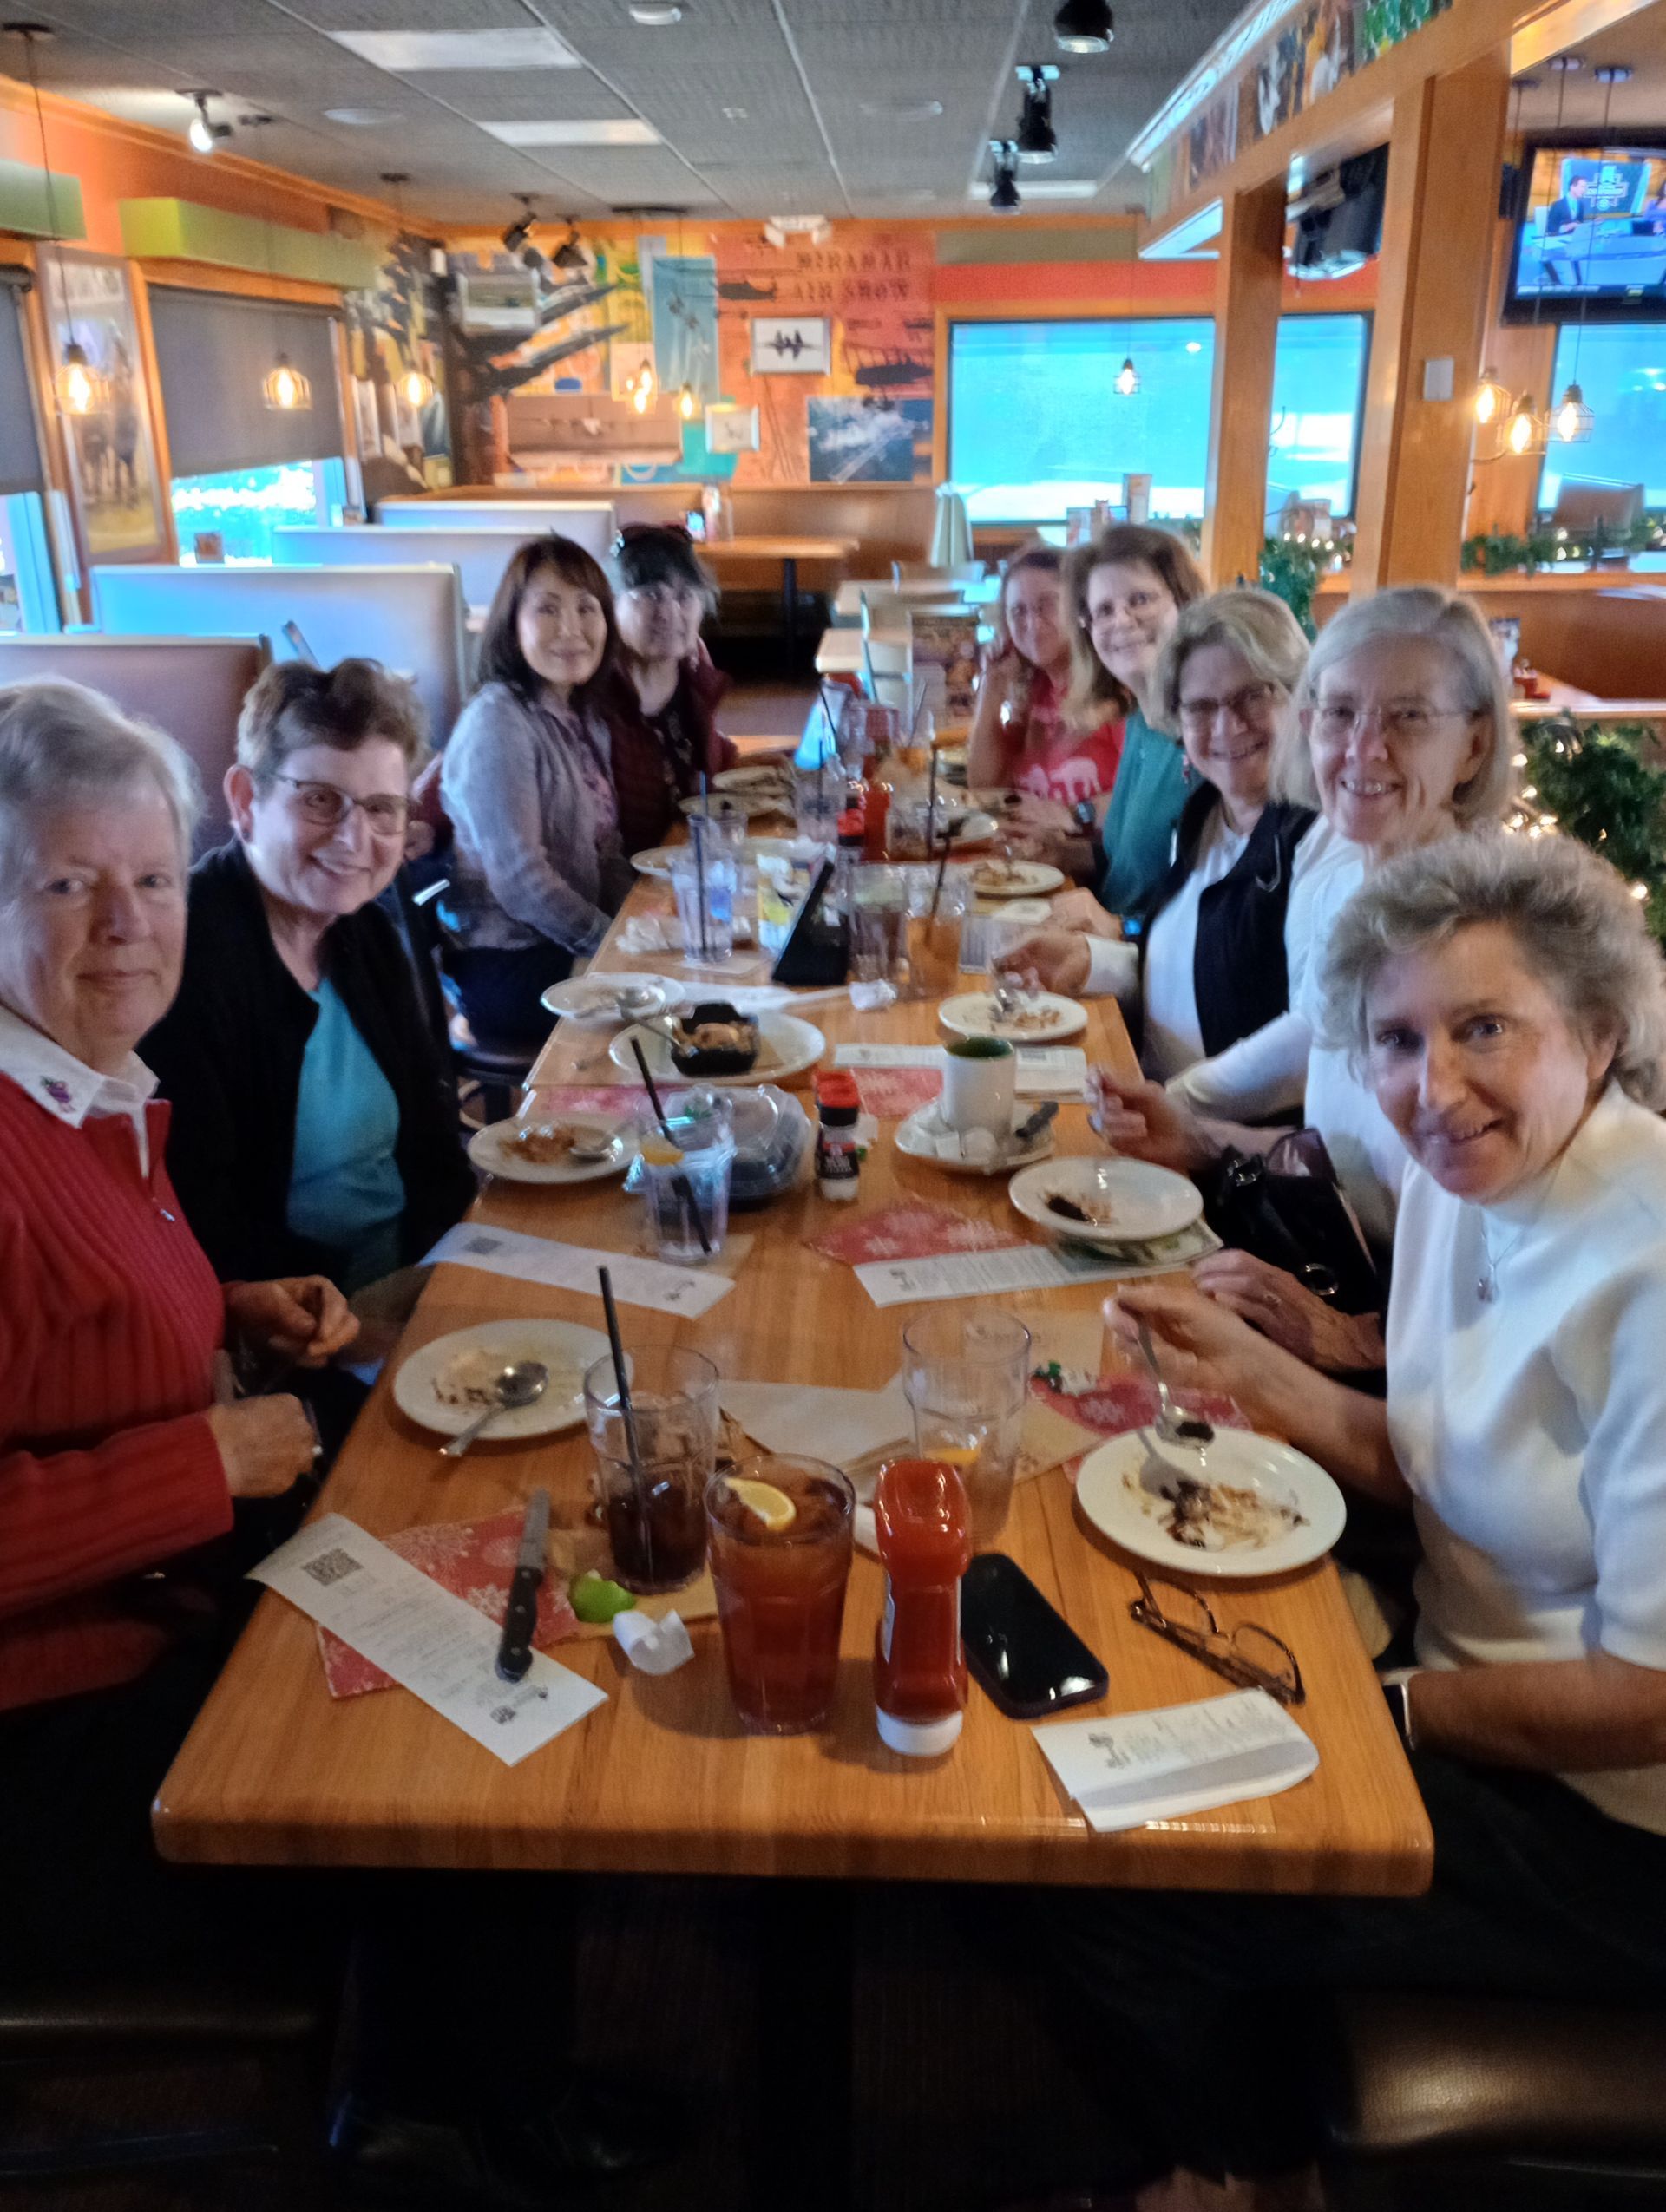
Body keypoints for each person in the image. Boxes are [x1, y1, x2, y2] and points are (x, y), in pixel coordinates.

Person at [1062, 831, 1666, 2193]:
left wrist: (1379, 1712)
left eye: (1484, 1027)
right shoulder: (1473, 1173)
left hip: (1612, 1830)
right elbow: (1430, 1460)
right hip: (1459, 1694)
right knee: (1110, 1701)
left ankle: (1242, 2163)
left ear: (1601, 1030)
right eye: (1397, 1038)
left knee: (1129, 1871)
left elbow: (1647, 1697)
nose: (1432, 1086)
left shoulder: (1650, 1264)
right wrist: (1253, 1368)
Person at [0, 677, 351, 1967]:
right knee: (442, 1776)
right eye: (68, 884)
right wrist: (201, 1463)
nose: (126, 924)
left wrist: (224, 1313)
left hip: (164, 1622)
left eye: (153, 880)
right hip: (49, 1735)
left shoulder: (89, 1091)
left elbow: (61, 1334)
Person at [1090, 586, 1515, 1371]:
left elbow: (1521, 1256)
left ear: (1475, 745)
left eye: (1408, 716)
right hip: (1335, 1271)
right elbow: (1353, 1159)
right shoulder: (1344, 888)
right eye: (1341, 712)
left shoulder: (1487, 944)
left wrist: (1360, 1341)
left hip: (1430, 1362)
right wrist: (1200, 1137)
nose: (1363, 748)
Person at [142, 659, 475, 1296]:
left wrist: (456, 1269)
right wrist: (358, 1309)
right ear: (246, 800)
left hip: (417, 1276)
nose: (354, 839)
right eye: (321, 800)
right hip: (300, 1318)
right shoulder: (182, 959)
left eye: (383, 809)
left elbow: (434, 1141)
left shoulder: (368, 934)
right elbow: (203, 1218)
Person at [995, 589, 1316, 1086]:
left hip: (1221, 1128)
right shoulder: (1204, 816)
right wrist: (1093, 962)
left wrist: (1178, 1105)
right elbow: (1190, 971)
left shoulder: (1316, 835)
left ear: (1300, 699)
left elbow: (1315, 1038)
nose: (1227, 726)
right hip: (1147, 1091)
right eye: (1200, 707)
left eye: (1254, 695)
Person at [439, 534, 635, 1050]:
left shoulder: (585, 718)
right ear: (513, 624)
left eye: (586, 608)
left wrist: (640, 929)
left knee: (694, 975)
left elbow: (608, 852)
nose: (570, 629)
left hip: (566, 945)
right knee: (661, 1016)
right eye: (547, 609)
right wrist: (611, 945)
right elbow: (521, 880)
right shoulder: (498, 720)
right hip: (508, 963)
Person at [1065, 522, 1207, 913]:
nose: (1122, 621)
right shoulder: (1142, 723)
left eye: (1140, 600)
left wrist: (1119, 930)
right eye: (1104, 610)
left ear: (1184, 603)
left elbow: (1210, 911)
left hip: (1144, 950)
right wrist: (1061, 853)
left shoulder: (1206, 735)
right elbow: (1135, 867)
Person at [607, 522, 738, 855]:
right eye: (651, 594)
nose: (669, 613)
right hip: (627, 877)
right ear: (611, 605)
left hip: (693, 862)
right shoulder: (595, 695)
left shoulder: (694, 675)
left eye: (684, 596)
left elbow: (709, 766)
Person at [966, 545, 1123, 809]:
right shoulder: (1032, 693)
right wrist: (991, 686)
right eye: (1018, 611)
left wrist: (1075, 816)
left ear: (1080, 608)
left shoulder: (1117, 690)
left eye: (1047, 605)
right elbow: (984, 788)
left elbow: (1146, 802)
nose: (1032, 624)